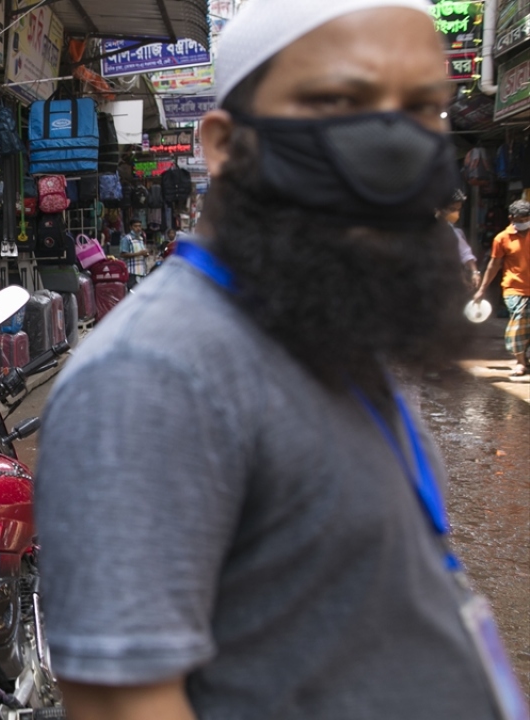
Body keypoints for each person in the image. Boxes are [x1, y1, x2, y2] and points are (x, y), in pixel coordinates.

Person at [35, 2, 520, 719]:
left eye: (422, 106)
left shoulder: (329, 324)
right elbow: (124, 703)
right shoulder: (151, 376)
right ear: (225, 144)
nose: (392, 136)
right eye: (339, 99)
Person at [474, 200, 530, 378]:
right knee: (520, 320)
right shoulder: (502, 238)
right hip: (514, 288)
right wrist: (482, 289)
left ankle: (525, 357)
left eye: (526, 219)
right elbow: (494, 265)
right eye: (520, 220)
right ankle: (520, 362)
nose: (524, 222)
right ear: (511, 218)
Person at [442, 190, 481, 288]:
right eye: (452, 209)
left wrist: (474, 272)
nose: (456, 213)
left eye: (458, 210)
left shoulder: (454, 232)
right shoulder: (422, 230)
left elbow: (465, 253)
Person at [119, 220, 150, 289]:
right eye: (135, 226)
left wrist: (145, 254)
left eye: (139, 226)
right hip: (132, 272)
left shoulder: (140, 239)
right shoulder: (126, 239)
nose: (138, 228)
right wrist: (139, 253)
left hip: (142, 271)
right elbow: (123, 254)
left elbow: (142, 253)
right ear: (131, 227)